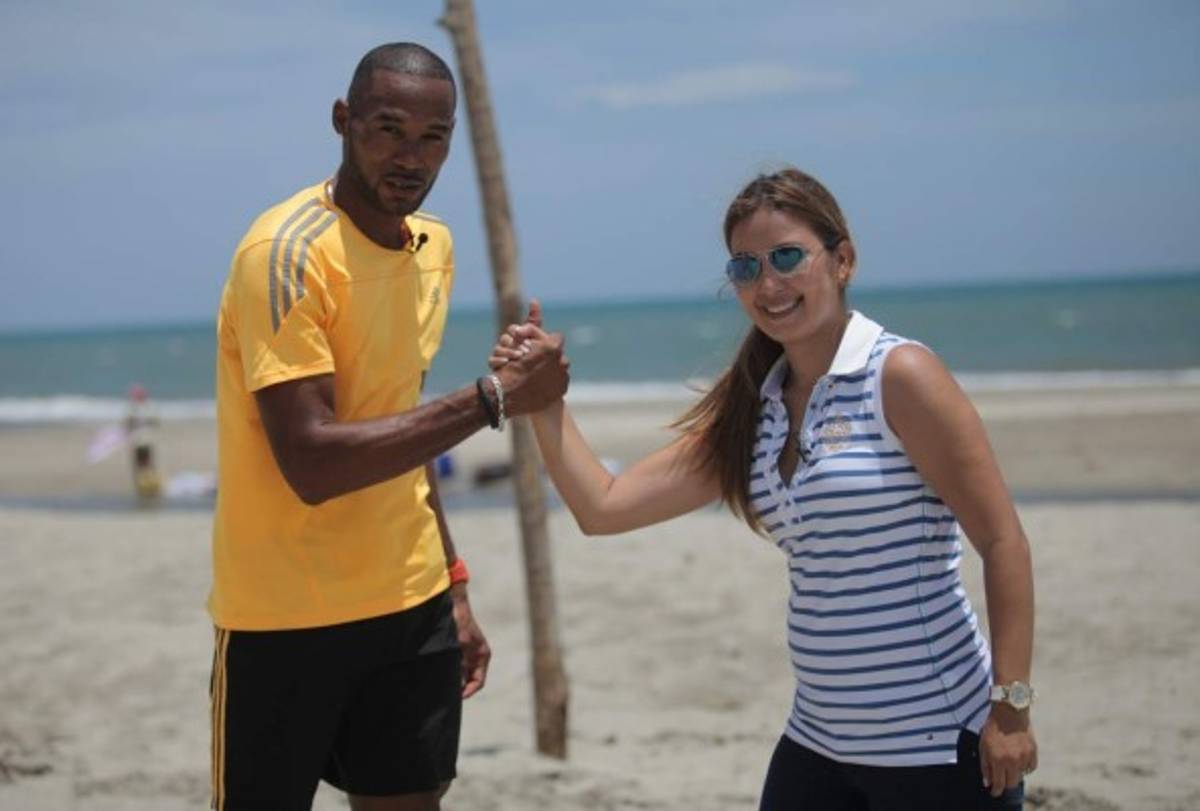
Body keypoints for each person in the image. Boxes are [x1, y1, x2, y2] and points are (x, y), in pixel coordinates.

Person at [493, 168, 1036, 810]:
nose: (768, 284)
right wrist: (541, 401)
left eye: (786, 257)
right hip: (818, 743)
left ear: (842, 260)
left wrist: (1011, 710)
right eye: (746, 268)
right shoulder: (758, 407)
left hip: (937, 743)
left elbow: (1003, 542)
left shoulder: (900, 375)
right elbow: (604, 507)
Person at [209, 43, 569, 811]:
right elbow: (312, 463)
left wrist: (455, 587)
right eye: (388, 128)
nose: (411, 156)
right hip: (283, 618)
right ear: (343, 122)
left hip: (411, 607)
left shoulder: (432, 248)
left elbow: (405, 429)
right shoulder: (285, 253)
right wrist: (495, 396)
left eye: (433, 137)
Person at [125, 383, 161, 503]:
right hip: (136, 440)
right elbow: (127, 423)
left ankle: (152, 487)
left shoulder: (149, 407)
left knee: (149, 464)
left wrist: (144, 422)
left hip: (147, 440)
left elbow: (155, 421)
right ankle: (140, 488)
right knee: (138, 465)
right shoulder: (132, 408)